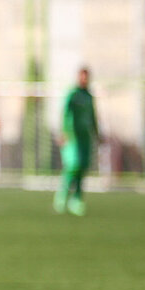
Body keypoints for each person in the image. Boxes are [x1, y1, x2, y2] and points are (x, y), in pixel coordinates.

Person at [54, 66, 99, 216]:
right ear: (78, 77)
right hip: (72, 136)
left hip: (85, 137)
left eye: (86, 77)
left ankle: (77, 199)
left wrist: (97, 133)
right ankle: (62, 196)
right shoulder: (72, 94)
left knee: (83, 167)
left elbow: (93, 116)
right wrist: (62, 132)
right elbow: (65, 113)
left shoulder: (89, 96)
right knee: (73, 165)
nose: (84, 79)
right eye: (82, 76)